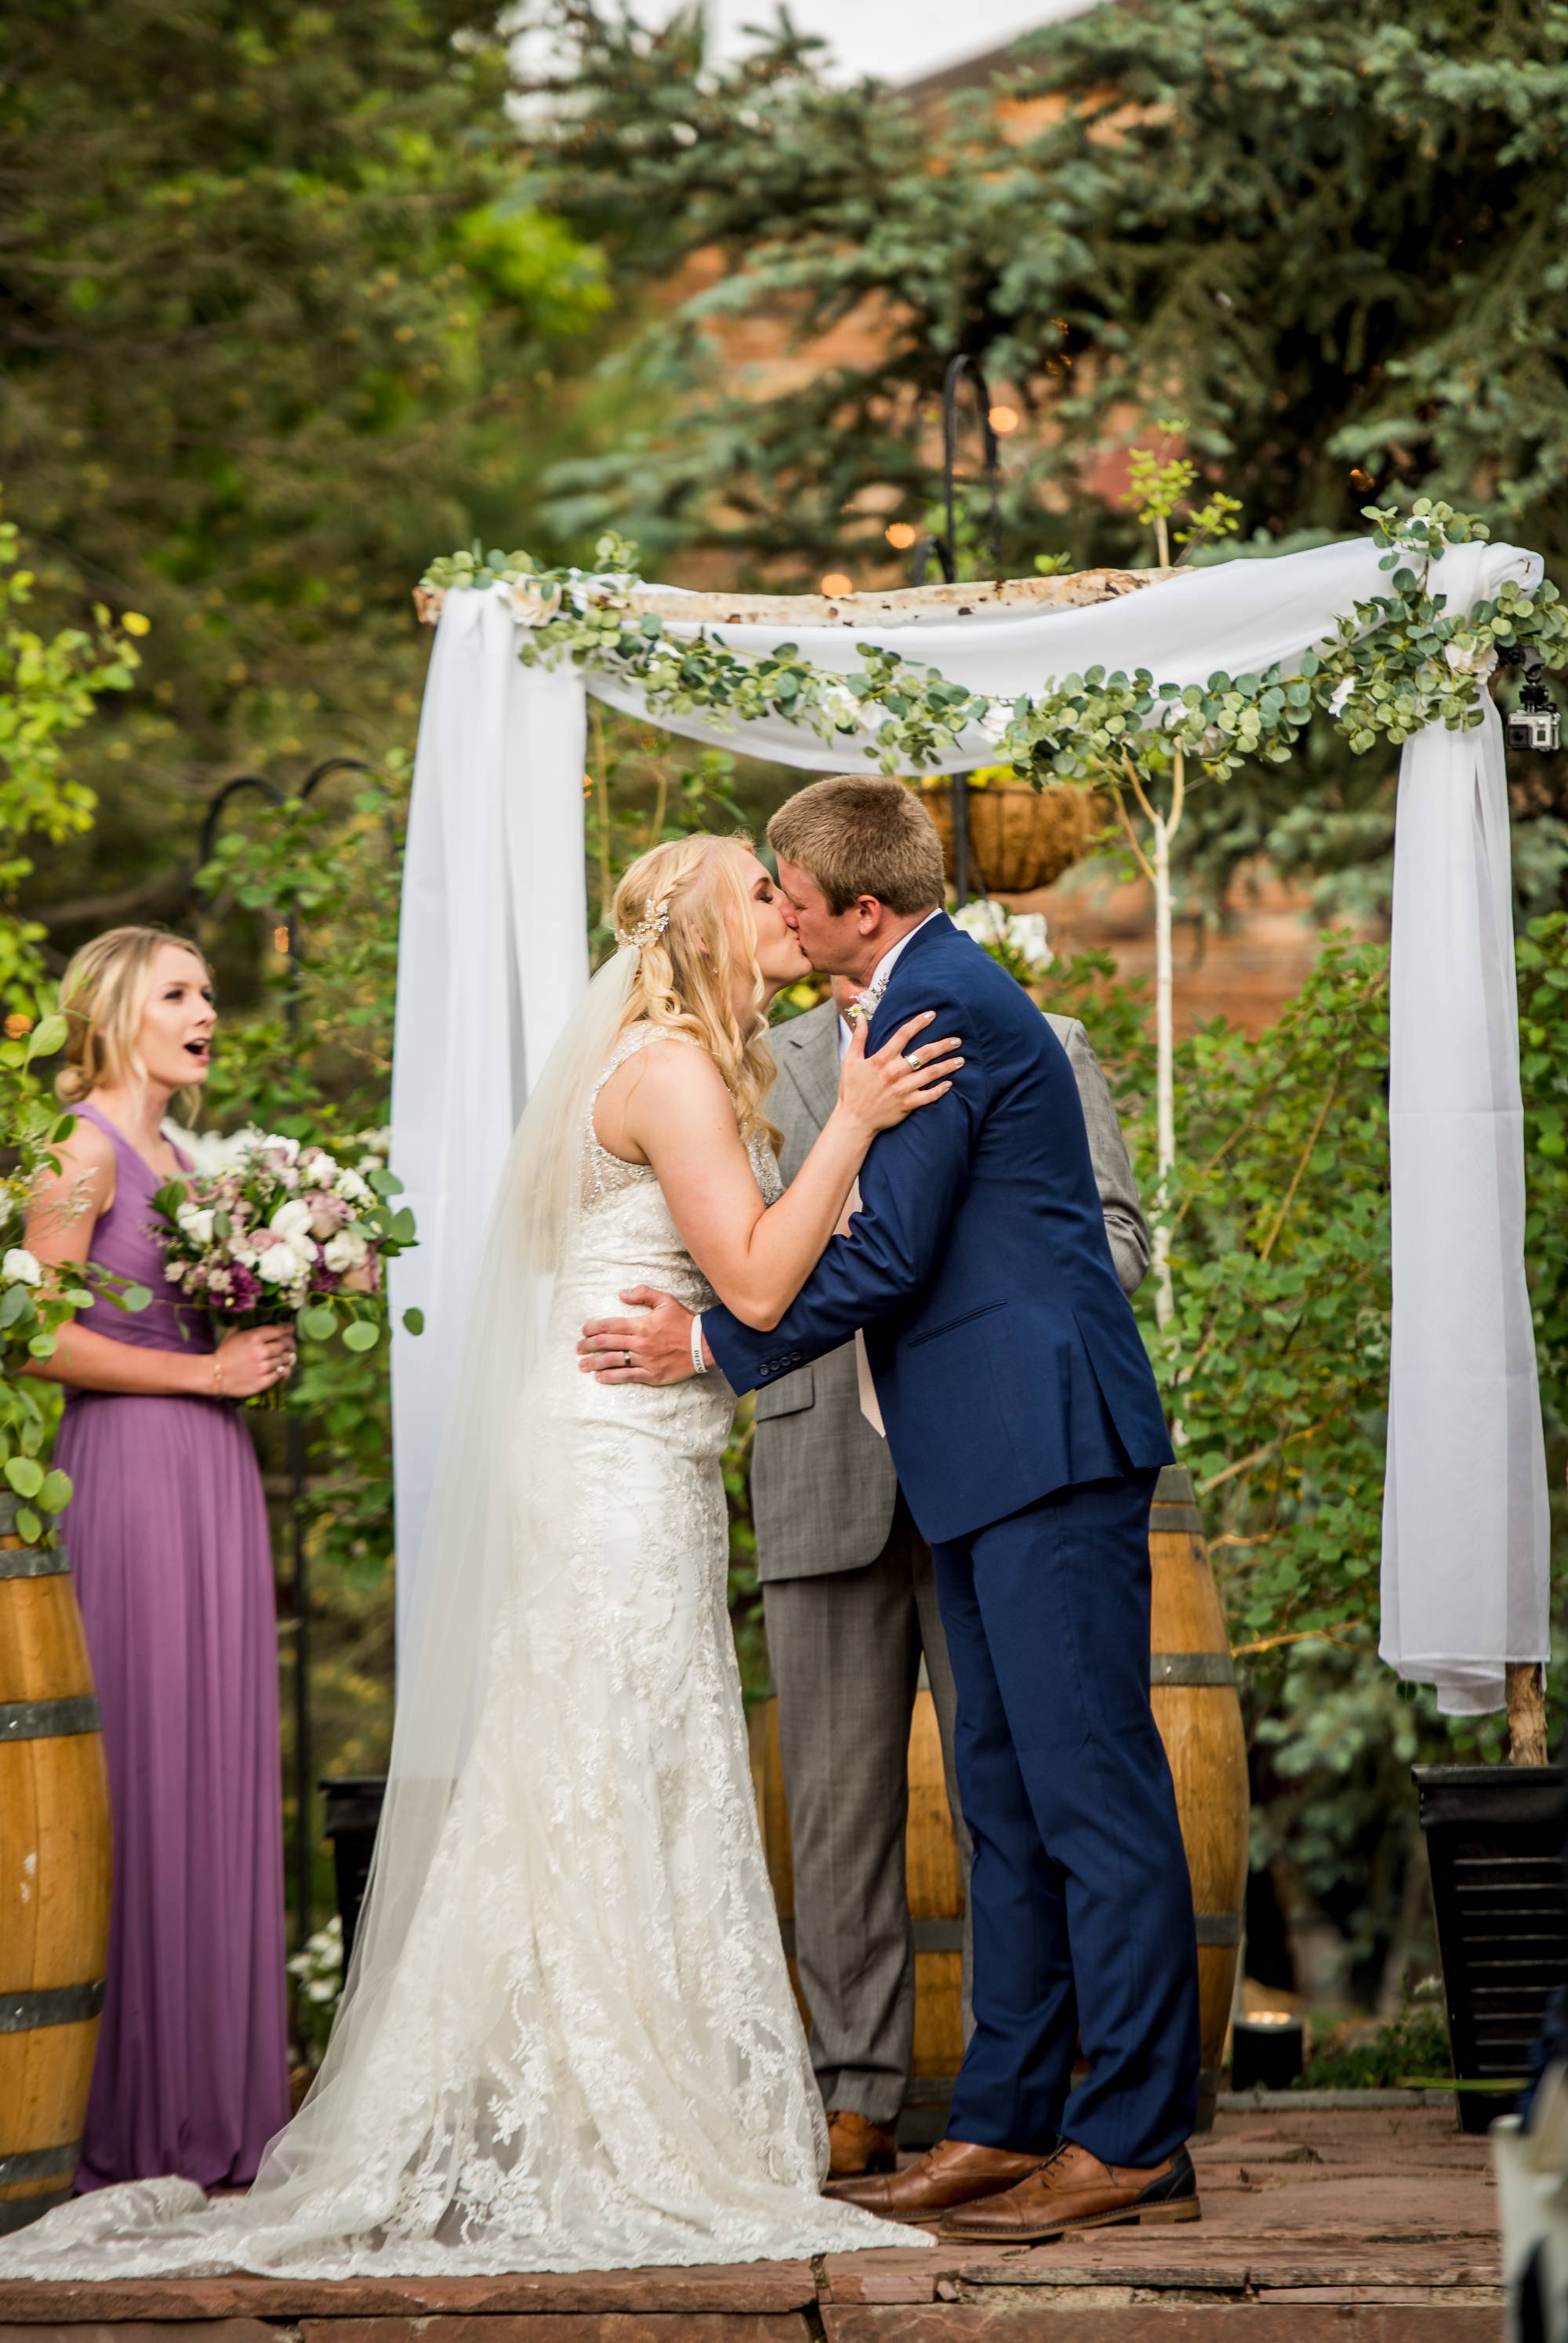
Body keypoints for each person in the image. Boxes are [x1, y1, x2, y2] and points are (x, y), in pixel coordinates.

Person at [0, 832, 956, 2279]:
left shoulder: (650, 1060)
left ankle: (584, 2094)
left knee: (603, 1759)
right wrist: (859, 1122)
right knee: (606, 1760)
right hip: (617, 1458)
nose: (786, 909)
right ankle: (599, 2114)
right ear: (699, 922)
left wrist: (711, 1330)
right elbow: (759, 1273)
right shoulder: (676, 1070)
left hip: (638, 1437)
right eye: (757, 892)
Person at [579, 776, 1202, 2248]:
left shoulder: (944, 1007)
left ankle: (1130, 2135)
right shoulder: (898, 996)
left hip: (1046, 1443)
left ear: (862, 908)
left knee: (1090, 1793)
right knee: (1002, 1799)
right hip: (977, 1458)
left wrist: (715, 1351)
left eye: (789, 893)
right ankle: (1002, 2116)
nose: (778, 918)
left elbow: (894, 1256)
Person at [757, 974, 1151, 2182]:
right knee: (832, 1806)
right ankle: (856, 2096)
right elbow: (738, 1253)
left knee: (1016, 1800)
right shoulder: (759, 1068)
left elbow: (1120, 1240)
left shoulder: (1049, 1040)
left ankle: (1008, 2097)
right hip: (824, 1463)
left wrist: (958, 1278)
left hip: (1001, 1461)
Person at [21, 926, 296, 2192]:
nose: (206, 1012)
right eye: (179, 993)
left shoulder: (190, 1160)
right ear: (119, 1009)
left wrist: (276, 1316)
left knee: (215, 1761)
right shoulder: (79, 1152)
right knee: (141, 1765)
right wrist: (205, 1369)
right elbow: (29, 1340)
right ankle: (129, 2119)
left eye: (209, 992)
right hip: (127, 1475)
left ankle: (215, 2109)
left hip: (211, 1477)